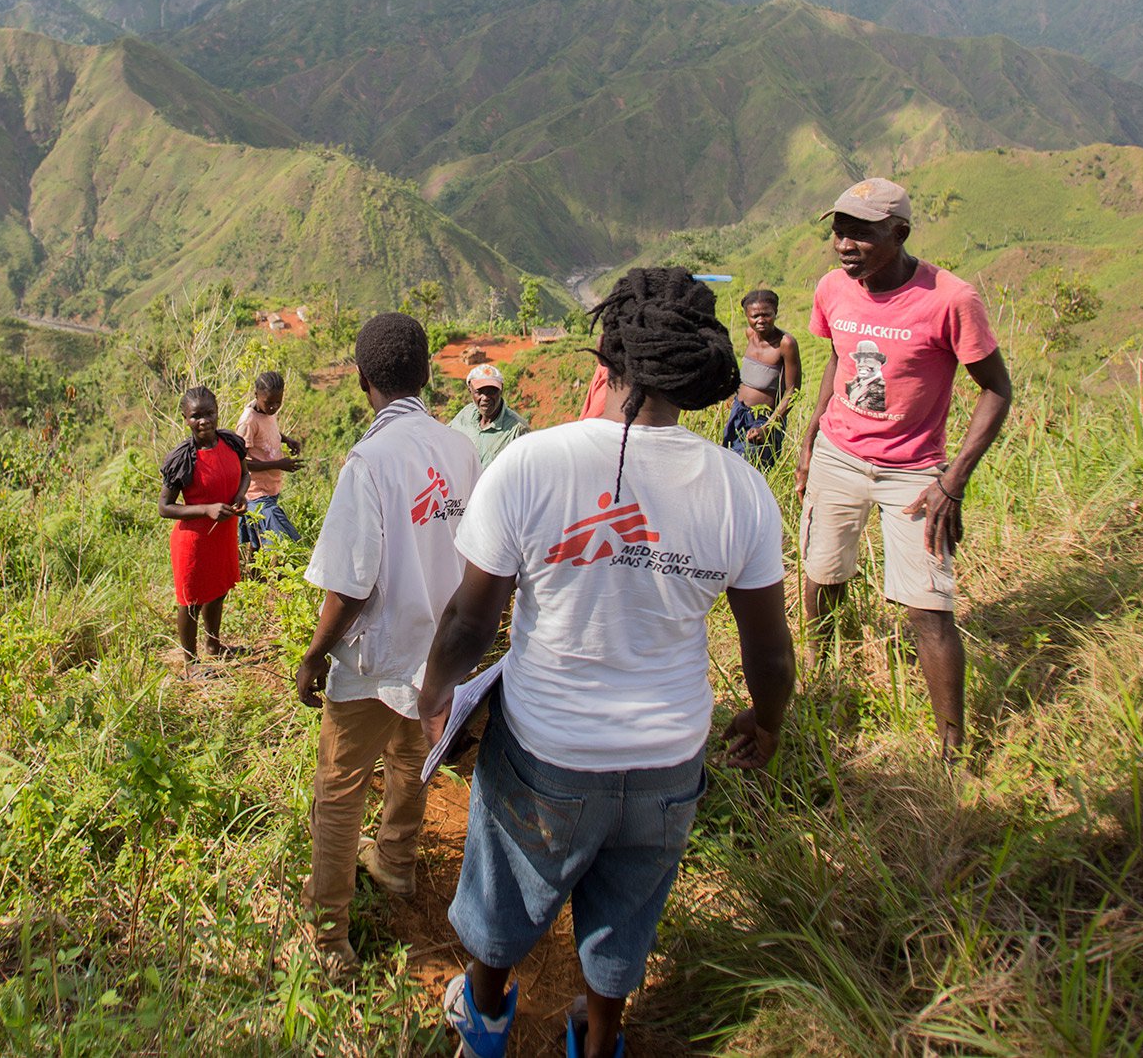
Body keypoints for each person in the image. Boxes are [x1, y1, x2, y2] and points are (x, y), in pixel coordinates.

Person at [419, 268, 796, 1058]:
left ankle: (485, 1019)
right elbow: (768, 647)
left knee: (503, 900)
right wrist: (766, 720)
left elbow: (467, 620)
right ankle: (598, 1040)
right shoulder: (740, 491)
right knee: (626, 913)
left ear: (609, 357)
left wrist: (434, 698)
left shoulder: (531, 465)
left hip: (548, 748)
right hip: (667, 758)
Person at [795, 177, 1012, 761]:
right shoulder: (833, 289)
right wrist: (814, 430)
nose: (844, 243)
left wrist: (953, 480)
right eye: (839, 229)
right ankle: (825, 684)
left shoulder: (950, 299)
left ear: (899, 233)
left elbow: (996, 390)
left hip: (914, 472)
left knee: (928, 607)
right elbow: (837, 356)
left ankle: (953, 750)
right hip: (838, 457)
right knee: (823, 576)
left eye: (861, 232)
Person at [295, 313, 482, 973]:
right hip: (440, 650)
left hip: (379, 656)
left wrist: (315, 654)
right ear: (427, 374)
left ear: (362, 380)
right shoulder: (461, 449)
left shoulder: (369, 461)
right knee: (410, 757)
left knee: (340, 788)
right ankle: (396, 864)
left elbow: (349, 584)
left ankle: (329, 937)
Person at [159, 386, 249, 661]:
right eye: (196, 416)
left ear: (217, 412)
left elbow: (244, 475)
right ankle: (190, 661)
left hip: (223, 533)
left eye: (209, 413)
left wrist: (240, 496)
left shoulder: (232, 443)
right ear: (185, 418)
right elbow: (164, 507)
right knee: (191, 602)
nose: (204, 421)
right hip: (194, 540)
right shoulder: (183, 459)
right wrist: (206, 509)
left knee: (219, 591)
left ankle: (214, 645)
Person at [721, 289, 802, 467]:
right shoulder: (750, 334)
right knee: (728, 465)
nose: (760, 320)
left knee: (751, 469)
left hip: (764, 419)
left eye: (766, 314)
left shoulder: (785, 344)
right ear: (747, 316)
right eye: (755, 316)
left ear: (776, 313)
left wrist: (768, 427)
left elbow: (792, 391)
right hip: (739, 413)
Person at [237, 371, 305, 560]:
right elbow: (241, 462)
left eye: (278, 402)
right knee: (279, 541)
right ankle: (275, 585)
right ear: (256, 395)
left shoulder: (267, 411)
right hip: (255, 493)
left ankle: (254, 580)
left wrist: (286, 440)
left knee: (257, 541)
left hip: (271, 488)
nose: (274, 407)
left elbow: (269, 428)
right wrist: (278, 464)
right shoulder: (248, 422)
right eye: (269, 403)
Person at [448, 363, 530, 468]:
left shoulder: (517, 429)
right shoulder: (465, 414)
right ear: (470, 390)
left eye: (492, 392)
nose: (485, 397)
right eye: (479, 392)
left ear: (501, 390)